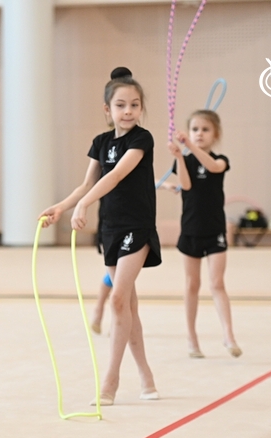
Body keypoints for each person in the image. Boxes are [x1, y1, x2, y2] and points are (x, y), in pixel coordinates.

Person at [40, 67, 160, 406]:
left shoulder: (141, 139)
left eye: (134, 105)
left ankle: (111, 381)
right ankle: (147, 377)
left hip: (136, 227)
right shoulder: (101, 142)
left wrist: (85, 206)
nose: (128, 111)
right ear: (108, 110)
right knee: (128, 306)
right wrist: (63, 207)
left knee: (118, 299)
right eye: (121, 105)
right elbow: (87, 183)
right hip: (111, 228)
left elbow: (119, 174)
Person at [168, 110, 241, 358]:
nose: (199, 134)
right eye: (195, 129)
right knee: (192, 285)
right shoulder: (186, 160)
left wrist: (189, 147)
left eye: (205, 129)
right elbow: (186, 186)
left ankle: (229, 335)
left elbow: (211, 166)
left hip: (215, 231)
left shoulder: (221, 160)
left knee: (217, 283)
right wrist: (180, 155)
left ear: (215, 134)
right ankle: (192, 338)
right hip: (190, 230)